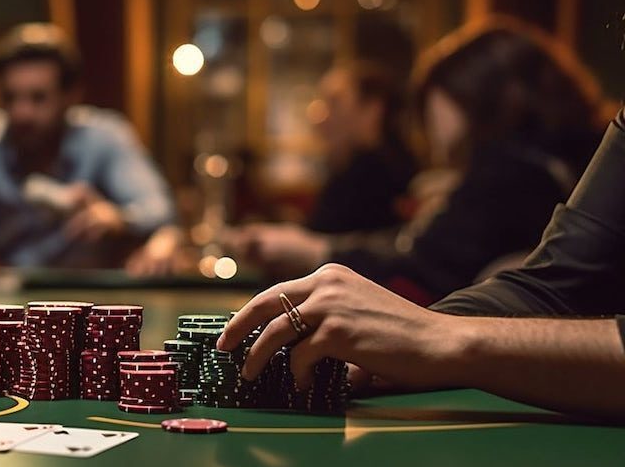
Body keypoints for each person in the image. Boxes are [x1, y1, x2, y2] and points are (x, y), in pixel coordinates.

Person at [218, 0, 625, 420]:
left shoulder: (509, 168)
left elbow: (431, 270)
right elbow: (551, 285)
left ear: (479, 96)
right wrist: (398, 348)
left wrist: (441, 339)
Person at [232, 20, 606, 304]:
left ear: (471, 93)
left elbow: (425, 261)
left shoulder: (514, 171)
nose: (427, 118)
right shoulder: (550, 160)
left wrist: (313, 251)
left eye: (434, 95)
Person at [0, 23, 180, 277]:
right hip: (2, 307)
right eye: (10, 97)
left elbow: (158, 209)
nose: (22, 112)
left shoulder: (104, 137)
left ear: (71, 96)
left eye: (38, 98)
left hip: (88, 304)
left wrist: (119, 217)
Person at [303, 63, 416, 235]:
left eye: (335, 102)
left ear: (373, 109)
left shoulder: (377, 175)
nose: (318, 117)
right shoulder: (350, 168)